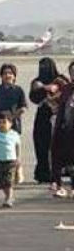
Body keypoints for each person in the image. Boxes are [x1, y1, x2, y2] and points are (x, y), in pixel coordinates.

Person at [29, 57, 66, 185]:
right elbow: (34, 98)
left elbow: (64, 92)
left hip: (59, 117)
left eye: (46, 66)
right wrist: (43, 89)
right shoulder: (36, 81)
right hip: (42, 118)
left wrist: (44, 88)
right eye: (41, 66)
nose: (43, 69)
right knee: (41, 145)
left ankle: (58, 173)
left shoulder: (61, 79)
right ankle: (43, 173)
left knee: (58, 146)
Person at [0, 112, 20, 208]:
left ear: (10, 124)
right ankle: (8, 196)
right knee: (1, 181)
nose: (1, 125)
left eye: (4, 122)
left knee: (8, 180)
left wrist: (18, 159)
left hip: (11, 161)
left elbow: (18, 146)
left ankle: (9, 198)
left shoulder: (14, 134)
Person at [51, 62, 74, 198]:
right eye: (72, 72)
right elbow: (61, 107)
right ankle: (59, 186)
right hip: (65, 129)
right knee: (59, 158)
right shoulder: (66, 89)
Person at [0, 64, 27, 134]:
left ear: (14, 76)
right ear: (1, 76)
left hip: (14, 125)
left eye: (10, 73)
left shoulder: (18, 90)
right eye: (5, 73)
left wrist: (11, 117)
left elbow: (23, 108)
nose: (7, 75)